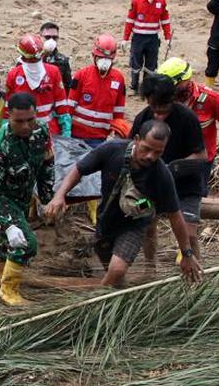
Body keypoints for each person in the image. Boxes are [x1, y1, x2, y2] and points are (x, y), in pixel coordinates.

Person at [45, 120, 202, 287]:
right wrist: (59, 195)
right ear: (136, 139)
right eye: (147, 149)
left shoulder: (162, 175)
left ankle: (96, 301)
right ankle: (122, 303)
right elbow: (79, 169)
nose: (151, 156)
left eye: (158, 152)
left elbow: (175, 217)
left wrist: (186, 253)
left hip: (134, 226)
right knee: (114, 278)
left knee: (117, 269)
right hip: (106, 220)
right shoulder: (111, 150)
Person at [0, 92, 54, 306]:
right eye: (19, 121)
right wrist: (8, 224)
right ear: (8, 116)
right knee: (25, 242)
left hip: (21, 195)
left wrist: (47, 196)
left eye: (31, 120)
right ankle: (8, 290)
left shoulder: (42, 131)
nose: (26, 126)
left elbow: (47, 162)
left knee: (10, 242)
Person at [130, 74, 208, 264]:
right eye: (154, 108)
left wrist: (172, 169)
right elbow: (129, 149)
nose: (158, 115)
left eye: (163, 110)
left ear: (172, 99)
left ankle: (195, 272)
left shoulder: (187, 118)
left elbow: (201, 156)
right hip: (153, 188)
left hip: (186, 186)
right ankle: (151, 268)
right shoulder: (143, 119)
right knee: (148, 227)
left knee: (190, 235)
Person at [67, 34, 128, 223]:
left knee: (94, 174)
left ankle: (93, 208)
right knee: (72, 169)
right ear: (94, 56)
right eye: (102, 58)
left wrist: (119, 133)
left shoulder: (118, 79)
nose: (104, 62)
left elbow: (119, 113)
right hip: (77, 134)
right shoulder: (81, 76)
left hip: (99, 138)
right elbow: (69, 107)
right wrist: (66, 133)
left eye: (109, 59)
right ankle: (68, 201)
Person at [5, 33, 68, 134]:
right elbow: (8, 109)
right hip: (23, 132)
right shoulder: (14, 75)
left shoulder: (53, 72)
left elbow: (62, 106)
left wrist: (66, 132)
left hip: (49, 132)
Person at [122, 0, 173, 95]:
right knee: (135, 63)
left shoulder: (161, 1)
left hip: (153, 38)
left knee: (151, 64)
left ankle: (146, 88)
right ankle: (134, 86)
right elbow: (130, 20)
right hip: (138, 38)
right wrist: (125, 38)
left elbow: (165, 20)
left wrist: (167, 37)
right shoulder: (136, 0)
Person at [39, 22, 73, 91]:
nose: (51, 40)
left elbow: (67, 86)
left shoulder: (62, 60)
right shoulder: (29, 57)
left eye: (54, 37)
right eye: (47, 37)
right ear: (40, 37)